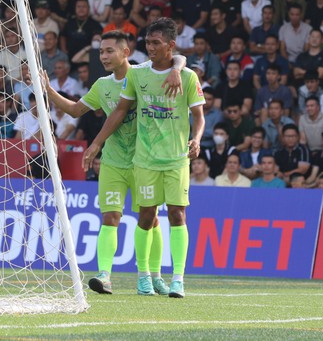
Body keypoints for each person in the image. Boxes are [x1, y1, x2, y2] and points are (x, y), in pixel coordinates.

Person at [43, 30, 183, 295]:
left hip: (145, 161)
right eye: (101, 52)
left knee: (150, 219)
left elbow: (179, 58)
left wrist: (177, 67)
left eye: (109, 51)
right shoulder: (102, 85)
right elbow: (74, 110)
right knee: (111, 216)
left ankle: (155, 276)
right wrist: (47, 89)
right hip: (113, 162)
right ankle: (104, 275)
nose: (104, 56)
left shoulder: (143, 74)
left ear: (125, 52)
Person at [83, 18, 204, 299]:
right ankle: (143, 278)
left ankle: (178, 279)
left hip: (176, 159)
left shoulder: (187, 77)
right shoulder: (137, 75)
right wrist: (97, 143)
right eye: (148, 42)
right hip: (145, 160)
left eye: (156, 43)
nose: (150, 48)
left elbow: (199, 116)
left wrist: (196, 139)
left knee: (177, 214)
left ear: (170, 46)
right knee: (147, 217)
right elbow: (120, 111)